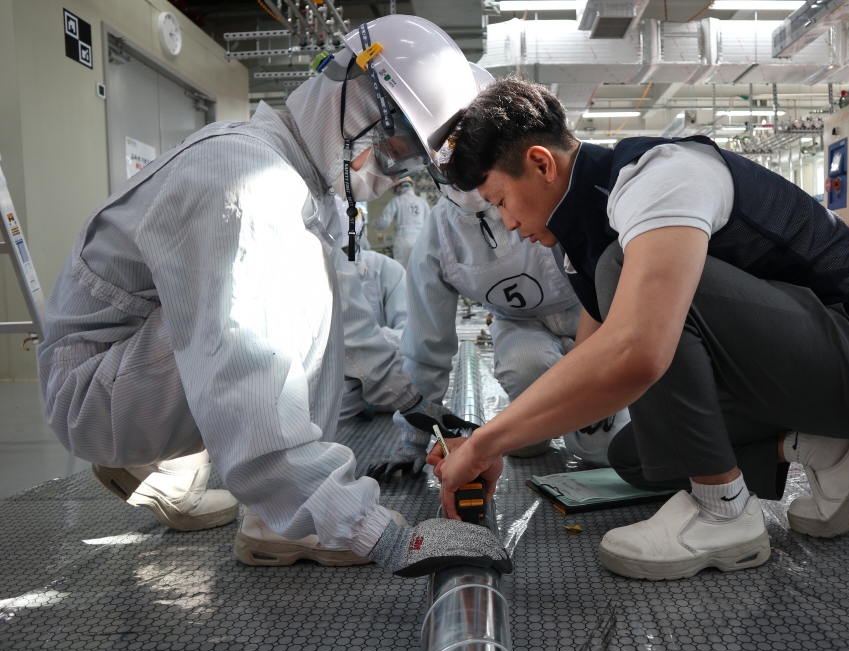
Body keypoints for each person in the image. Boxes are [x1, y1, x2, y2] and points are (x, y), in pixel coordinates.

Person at [37, 16, 511, 577]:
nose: (392, 175)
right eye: (398, 149)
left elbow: (350, 328)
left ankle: (192, 471)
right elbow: (243, 381)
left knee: (317, 284)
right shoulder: (246, 180)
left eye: (410, 162)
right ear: (359, 104)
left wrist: (421, 408)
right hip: (91, 393)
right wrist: (379, 536)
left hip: (132, 368)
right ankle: (282, 518)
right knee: (291, 294)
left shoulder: (304, 187)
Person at [430, 78, 849, 581]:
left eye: (500, 200)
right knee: (639, 455)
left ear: (541, 163)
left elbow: (636, 351)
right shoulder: (584, 231)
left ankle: (722, 512)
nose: (508, 223)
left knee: (622, 271)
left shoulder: (658, 178)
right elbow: (591, 364)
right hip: (807, 369)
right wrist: (488, 441)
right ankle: (833, 449)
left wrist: (485, 444)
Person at [403, 182, 629, 463]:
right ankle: (533, 434)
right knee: (525, 366)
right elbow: (425, 340)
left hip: (588, 311)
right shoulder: (438, 235)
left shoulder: (548, 191)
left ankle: (579, 434)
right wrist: (413, 438)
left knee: (602, 450)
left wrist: (594, 370)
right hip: (518, 323)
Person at [328, 194, 409, 423]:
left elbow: (411, 337)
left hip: (386, 389)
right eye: (332, 253)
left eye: (346, 251)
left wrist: (363, 347)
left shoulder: (388, 271)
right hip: (334, 397)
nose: (340, 262)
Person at [372, 177, 430, 268]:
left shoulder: (397, 200)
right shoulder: (423, 202)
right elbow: (429, 225)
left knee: (402, 270)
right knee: (420, 270)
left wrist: (374, 223)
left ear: (398, 187)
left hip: (403, 240)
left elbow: (384, 222)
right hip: (421, 241)